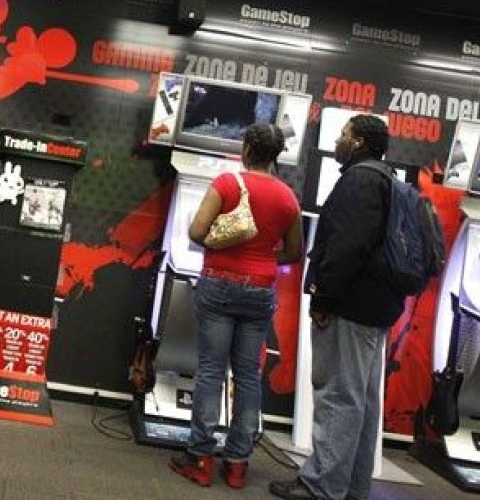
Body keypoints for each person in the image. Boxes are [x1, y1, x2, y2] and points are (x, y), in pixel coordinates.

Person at [269, 115, 406, 500]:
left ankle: (321, 485)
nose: (338, 140)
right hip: (376, 307)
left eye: (344, 134)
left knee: (338, 395)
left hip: (350, 306)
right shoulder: (388, 179)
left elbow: (347, 245)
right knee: (360, 399)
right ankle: (352, 487)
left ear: (360, 141)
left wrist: (324, 297)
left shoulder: (361, 180)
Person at [170, 124, 303, 489]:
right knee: (248, 376)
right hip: (261, 290)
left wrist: (225, 245)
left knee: (212, 370)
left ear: (246, 149)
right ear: (276, 155)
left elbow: (197, 232)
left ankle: (199, 456)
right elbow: (294, 252)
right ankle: (238, 463)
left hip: (219, 283)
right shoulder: (288, 197)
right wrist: (262, 257)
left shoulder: (228, 184)